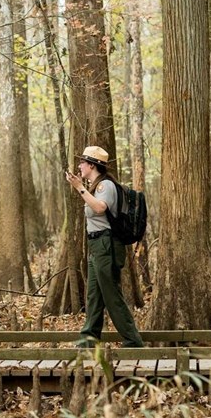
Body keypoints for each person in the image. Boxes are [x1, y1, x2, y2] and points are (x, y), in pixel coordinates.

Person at [65, 146, 143, 348]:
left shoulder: (105, 186)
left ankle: (133, 341)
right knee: (94, 295)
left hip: (106, 244)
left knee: (111, 294)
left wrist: (79, 187)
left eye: (82, 162)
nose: (79, 166)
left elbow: (100, 208)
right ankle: (88, 339)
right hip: (97, 245)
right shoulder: (95, 186)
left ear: (92, 165)